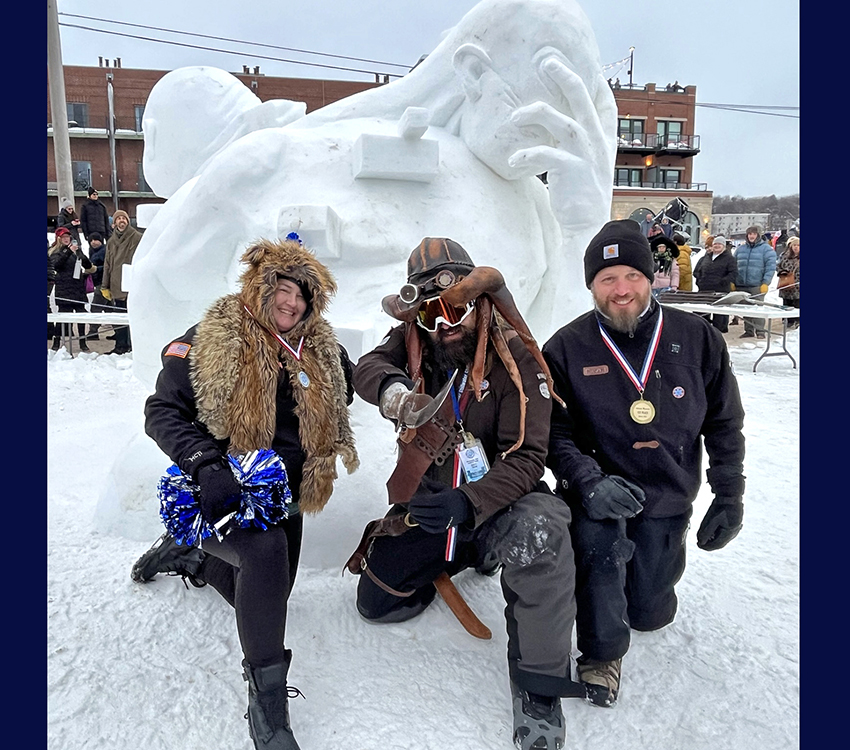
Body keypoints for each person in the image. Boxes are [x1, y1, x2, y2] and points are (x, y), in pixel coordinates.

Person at [348, 237, 579, 750]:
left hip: (497, 502)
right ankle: (453, 561)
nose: (445, 323)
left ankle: (539, 685)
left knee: (541, 528)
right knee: (377, 603)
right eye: (431, 313)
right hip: (432, 505)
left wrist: (470, 504)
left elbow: (526, 458)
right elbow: (364, 366)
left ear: (480, 302)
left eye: (458, 308)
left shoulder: (519, 359)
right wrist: (393, 392)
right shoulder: (414, 341)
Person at [130, 237, 359, 750]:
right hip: (223, 488)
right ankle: (267, 703)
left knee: (270, 591)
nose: (290, 302)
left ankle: (192, 557)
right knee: (265, 556)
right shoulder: (216, 336)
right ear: (260, 286)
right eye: (281, 288)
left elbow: (353, 382)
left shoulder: (320, 346)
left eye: (302, 294)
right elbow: (161, 411)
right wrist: (206, 465)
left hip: (281, 495)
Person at [542, 220, 746, 709]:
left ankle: (630, 592)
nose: (621, 290)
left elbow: (723, 423)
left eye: (631, 275)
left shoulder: (698, 339)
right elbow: (554, 433)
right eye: (606, 279)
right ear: (590, 285)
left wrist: (729, 495)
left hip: (667, 494)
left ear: (651, 275)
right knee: (600, 551)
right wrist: (588, 482)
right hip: (599, 493)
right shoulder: (565, 348)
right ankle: (600, 655)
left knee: (650, 613)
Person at [48, 227, 96, 352]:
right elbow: (57, 265)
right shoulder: (54, 251)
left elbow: (87, 265)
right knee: (62, 317)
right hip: (64, 289)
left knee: (81, 316)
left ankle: (82, 342)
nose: (66, 239)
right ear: (59, 239)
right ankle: (56, 341)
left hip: (78, 288)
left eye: (68, 237)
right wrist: (68, 252)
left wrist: (81, 255)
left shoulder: (75, 251)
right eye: (63, 237)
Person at [101, 210, 142, 354]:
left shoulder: (136, 237)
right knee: (118, 317)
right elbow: (107, 264)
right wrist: (105, 285)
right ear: (114, 223)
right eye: (118, 219)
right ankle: (120, 345)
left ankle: (132, 345)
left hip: (131, 286)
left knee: (131, 318)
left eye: (124, 218)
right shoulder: (111, 241)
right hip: (116, 285)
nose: (121, 221)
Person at [734, 225, 776, 339]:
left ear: (758, 235)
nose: (751, 236)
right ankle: (748, 330)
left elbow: (770, 267)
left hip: (757, 284)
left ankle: (760, 331)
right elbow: (733, 266)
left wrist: (765, 283)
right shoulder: (740, 249)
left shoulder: (766, 249)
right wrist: (733, 281)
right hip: (742, 284)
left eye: (754, 234)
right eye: (749, 234)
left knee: (757, 309)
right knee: (746, 309)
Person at [693, 235, 738, 333]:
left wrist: (723, 281)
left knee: (719, 317)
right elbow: (696, 271)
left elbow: (733, 273)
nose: (717, 246)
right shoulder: (705, 258)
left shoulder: (729, 259)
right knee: (702, 314)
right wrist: (699, 281)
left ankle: (718, 334)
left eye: (719, 244)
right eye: (715, 244)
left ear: (724, 246)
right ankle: (703, 332)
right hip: (704, 291)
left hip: (721, 291)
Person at [776, 235, 799, 328]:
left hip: (798, 285)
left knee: (797, 303)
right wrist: (782, 272)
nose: (796, 247)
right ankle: (788, 320)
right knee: (787, 303)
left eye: (798, 245)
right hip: (786, 283)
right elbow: (778, 266)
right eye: (794, 245)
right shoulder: (785, 256)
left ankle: (797, 320)